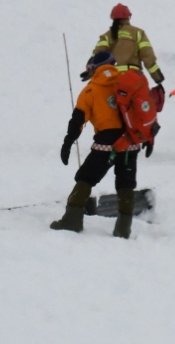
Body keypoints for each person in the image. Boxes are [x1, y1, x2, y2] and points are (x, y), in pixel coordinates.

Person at [52, 51, 155, 239]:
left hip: (106, 143)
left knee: (85, 178)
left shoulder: (91, 90)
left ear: (94, 68)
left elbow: (77, 120)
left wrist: (68, 142)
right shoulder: (126, 82)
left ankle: (72, 220)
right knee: (126, 183)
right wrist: (148, 136)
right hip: (130, 141)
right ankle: (123, 228)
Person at [84, 4, 165, 87]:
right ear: (128, 17)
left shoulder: (107, 36)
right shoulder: (138, 33)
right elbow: (148, 57)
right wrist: (158, 77)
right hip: (133, 78)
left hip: (112, 79)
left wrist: (90, 71)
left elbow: (97, 56)